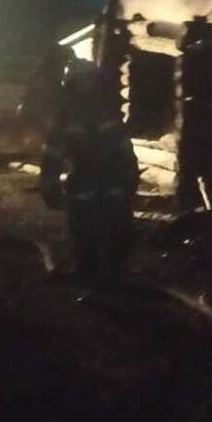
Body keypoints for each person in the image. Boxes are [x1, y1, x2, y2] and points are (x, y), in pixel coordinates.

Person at [40, 59, 138, 291]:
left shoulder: (106, 112)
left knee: (118, 236)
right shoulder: (66, 117)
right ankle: (89, 286)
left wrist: (130, 175)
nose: (86, 85)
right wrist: (49, 184)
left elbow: (124, 146)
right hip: (84, 185)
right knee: (84, 238)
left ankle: (113, 283)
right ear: (73, 84)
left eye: (89, 80)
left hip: (110, 183)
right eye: (82, 81)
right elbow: (53, 153)